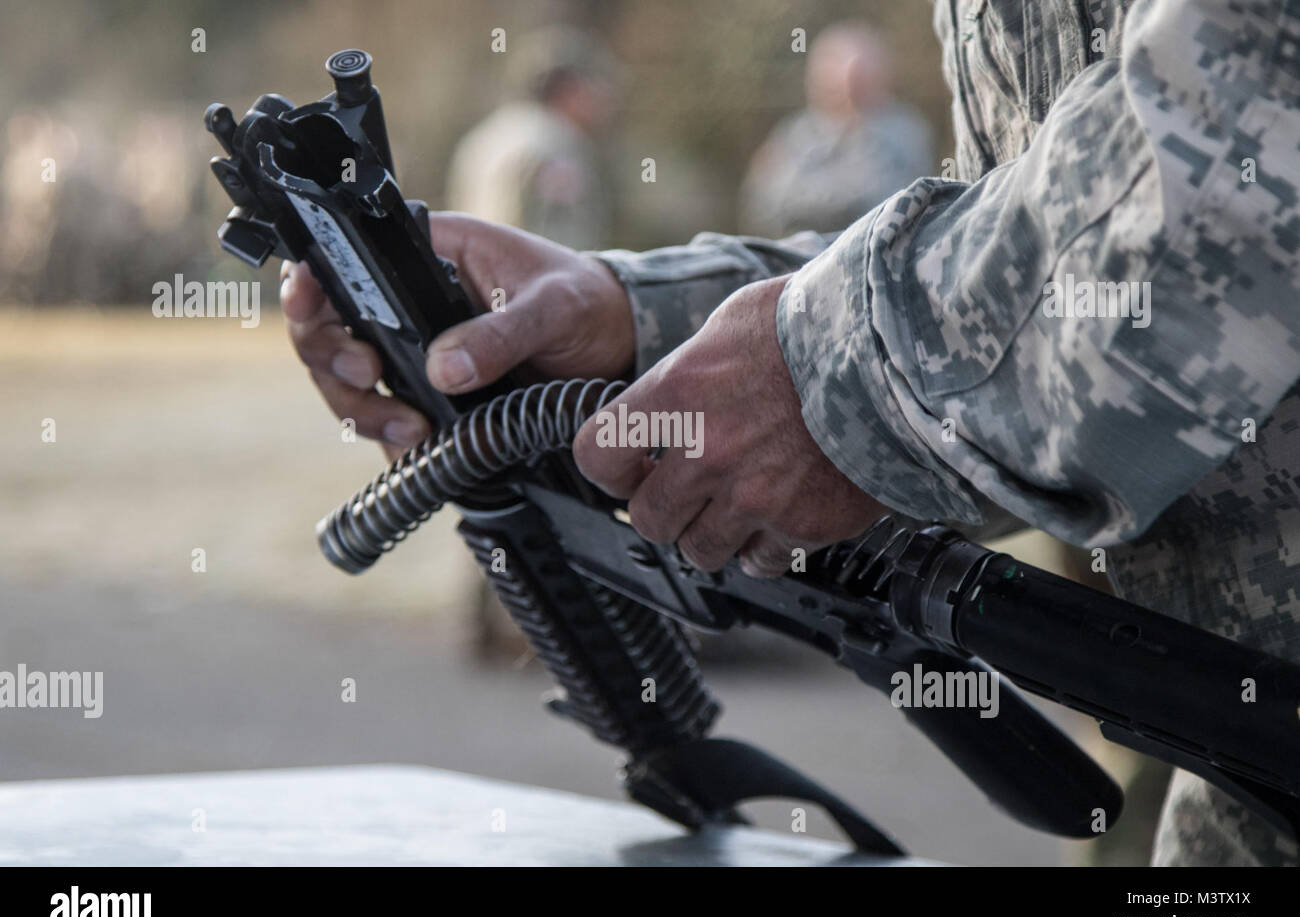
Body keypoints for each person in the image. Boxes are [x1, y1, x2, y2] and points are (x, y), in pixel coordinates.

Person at [281, 0, 1300, 866]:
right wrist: (633, 319)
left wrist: (839, 381)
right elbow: (1042, 233)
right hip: (1234, 769)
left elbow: (1246, 138)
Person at [739, 22, 932, 237]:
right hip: (799, 259)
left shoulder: (903, 132)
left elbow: (883, 204)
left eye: (859, 75)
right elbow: (766, 207)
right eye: (833, 68)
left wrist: (810, 199)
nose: (846, 85)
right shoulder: (794, 133)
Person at [445, 26, 615, 251]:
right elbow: (559, 244)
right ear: (569, 89)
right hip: (529, 279)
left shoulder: (487, 135)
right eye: (593, 85)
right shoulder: (555, 143)